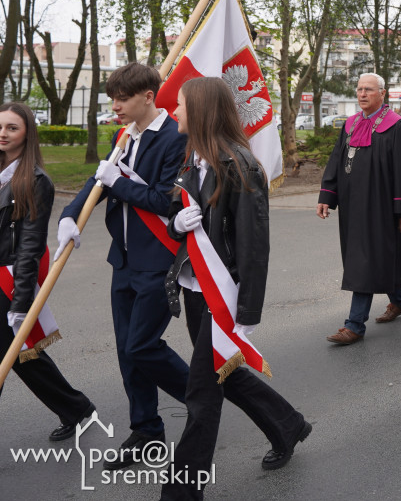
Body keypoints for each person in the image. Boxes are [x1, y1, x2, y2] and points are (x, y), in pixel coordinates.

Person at [162, 78, 311, 499]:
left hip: (222, 297)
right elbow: (177, 215)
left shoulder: (239, 166)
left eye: (181, 105)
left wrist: (246, 313)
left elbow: (253, 247)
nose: (174, 111)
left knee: (201, 396)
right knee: (223, 373)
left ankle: (181, 492)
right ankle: (287, 424)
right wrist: (176, 224)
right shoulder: (193, 159)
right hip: (196, 289)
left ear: (201, 110)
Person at [58, 62, 189, 467]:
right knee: (127, 352)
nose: (115, 106)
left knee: (142, 347)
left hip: (158, 258)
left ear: (148, 97)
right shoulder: (123, 135)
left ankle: (203, 397)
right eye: (112, 98)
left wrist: (119, 183)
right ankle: (146, 430)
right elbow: (99, 181)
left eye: (122, 99)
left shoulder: (175, 137)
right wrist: (70, 214)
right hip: (125, 259)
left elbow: (163, 200)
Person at [0, 102, 96, 442]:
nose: (2, 133)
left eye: (12, 127)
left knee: (15, 352)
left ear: (28, 134)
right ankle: (77, 408)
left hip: (8, 280)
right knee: (20, 355)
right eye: (0, 126)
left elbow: (29, 245)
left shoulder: (36, 181)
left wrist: (21, 302)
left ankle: (77, 408)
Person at [317, 73, 401, 346]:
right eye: (360, 89)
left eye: (369, 90)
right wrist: (327, 194)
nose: (362, 94)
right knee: (373, 259)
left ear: (382, 94)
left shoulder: (398, 127)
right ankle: (399, 301)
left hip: (381, 208)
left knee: (366, 261)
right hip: (353, 207)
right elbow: (336, 160)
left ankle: (355, 325)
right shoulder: (350, 124)